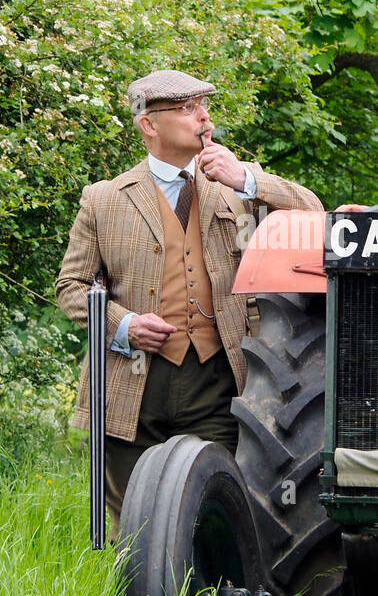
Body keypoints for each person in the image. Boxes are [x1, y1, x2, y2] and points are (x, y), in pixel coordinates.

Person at [55, 70, 323, 526]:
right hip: (133, 384)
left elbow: (312, 212)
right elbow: (71, 288)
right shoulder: (103, 199)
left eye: (204, 106)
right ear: (149, 125)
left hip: (217, 379)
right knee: (132, 522)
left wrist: (248, 180)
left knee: (214, 506)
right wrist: (124, 326)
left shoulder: (235, 184)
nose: (204, 118)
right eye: (187, 108)